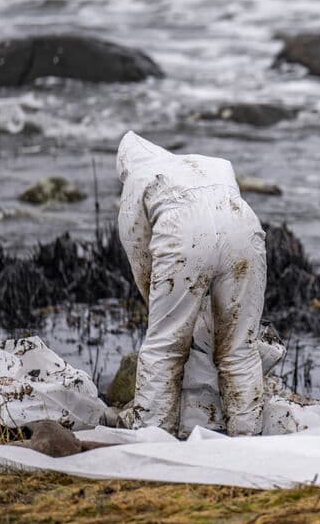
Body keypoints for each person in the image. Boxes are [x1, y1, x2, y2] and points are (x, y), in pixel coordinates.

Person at [115, 131, 267, 436]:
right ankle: (247, 438)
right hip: (245, 232)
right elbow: (222, 215)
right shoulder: (214, 164)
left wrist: (162, 307)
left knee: (164, 347)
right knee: (240, 347)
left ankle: (155, 437)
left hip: (182, 236)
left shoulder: (137, 179)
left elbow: (139, 254)